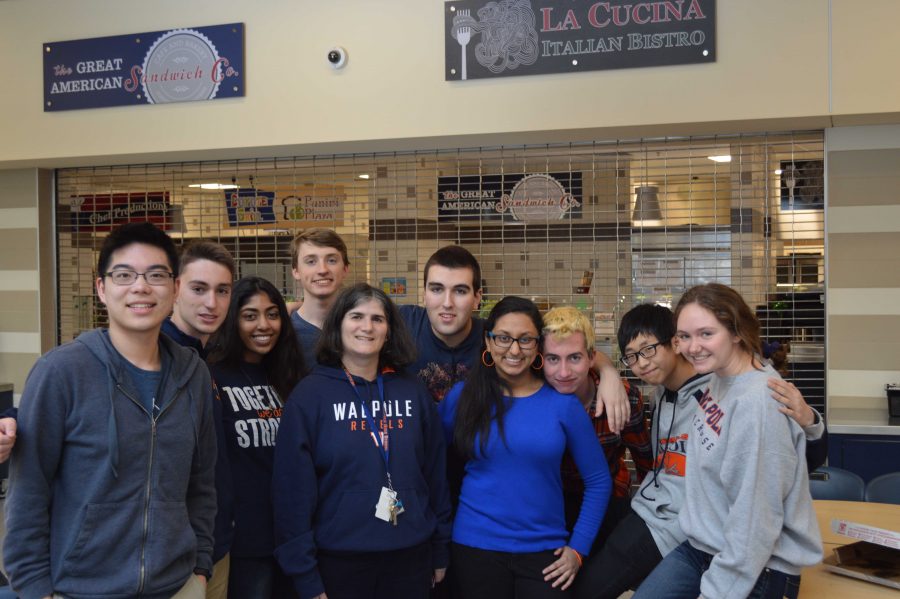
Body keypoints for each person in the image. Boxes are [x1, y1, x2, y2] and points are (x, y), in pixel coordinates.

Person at [4, 222, 217, 599]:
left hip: (178, 586)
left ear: (175, 288)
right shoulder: (61, 372)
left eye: (156, 275)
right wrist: (36, 590)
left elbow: (201, 482)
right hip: (80, 589)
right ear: (101, 288)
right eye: (123, 275)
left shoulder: (193, 372)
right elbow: (29, 493)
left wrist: (200, 567)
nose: (140, 287)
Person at [575, 303, 827, 599]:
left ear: (674, 343)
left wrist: (809, 421)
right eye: (631, 357)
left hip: (691, 528)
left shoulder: (727, 392)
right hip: (667, 520)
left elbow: (793, 463)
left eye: (648, 350)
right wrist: (607, 371)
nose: (641, 363)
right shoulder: (661, 394)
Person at [273, 283, 452, 599]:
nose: (367, 327)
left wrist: (440, 547)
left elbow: (435, 474)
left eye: (377, 319)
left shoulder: (412, 391)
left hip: (410, 557)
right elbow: (292, 492)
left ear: (389, 330)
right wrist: (305, 576)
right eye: (356, 316)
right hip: (338, 563)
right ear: (338, 324)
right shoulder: (310, 396)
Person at [439, 296, 612, 598]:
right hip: (475, 548)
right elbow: (429, 461)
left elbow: (598, 481)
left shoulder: (563, 405)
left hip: (546, 554)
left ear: (538, 348)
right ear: (488, 342)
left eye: (526, 340)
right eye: (504, 338)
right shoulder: (463, 397)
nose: (515, 350)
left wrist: (578, 549)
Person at [401, 246, 630, 432]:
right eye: (437, 289)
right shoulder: (402, 325)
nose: (447, 302)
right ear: (424, 293)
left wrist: (608, 372)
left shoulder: (497, 340)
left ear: (477, 298)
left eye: (460, 291)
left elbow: (565, 351)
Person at [206, 277, 305, 598]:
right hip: (243, 540)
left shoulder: (292, 375)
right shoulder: (212, 375)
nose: (264, 325)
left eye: (273, 314)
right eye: (250, 316)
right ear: (232, 320)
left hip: (294, 535)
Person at [162, 239, 236, 599]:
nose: (212, 303)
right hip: (167, 557)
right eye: (199, 288)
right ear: (175, 288)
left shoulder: (204, 359)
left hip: (210, 548)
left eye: (222, 291)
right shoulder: (151, 350)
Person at [541, 306, 652, 533]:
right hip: (549, 504)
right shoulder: (531, 396)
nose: (563, 372)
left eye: (574, 358)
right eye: (553, 358)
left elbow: (647, 467)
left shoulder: (624, 399)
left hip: (610, 501)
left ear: (591, 357)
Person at [289, 228, 351, 367]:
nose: (322, 270)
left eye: (331, 260)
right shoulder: (284, 332)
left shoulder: (363, 328)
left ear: (345, 269)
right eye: (311, 261)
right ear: (296, 271)